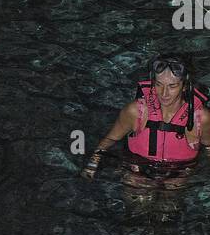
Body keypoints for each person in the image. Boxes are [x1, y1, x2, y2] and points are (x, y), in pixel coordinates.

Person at [83, 54, 210, 183]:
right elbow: (110, 139)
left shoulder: (200, 118)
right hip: (137, 169)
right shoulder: (135, 111)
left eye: (172, 86)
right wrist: (91, 166)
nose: (164, 93)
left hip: (180, 172)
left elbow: (209, 146)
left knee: (172, 197)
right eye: (159, 84)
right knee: (139, 197)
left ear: (184, 86)